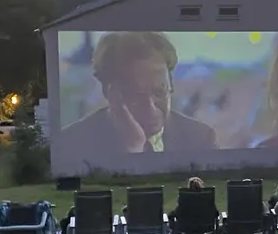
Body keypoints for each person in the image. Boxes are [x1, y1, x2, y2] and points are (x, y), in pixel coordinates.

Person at [61, 32, 218, 156]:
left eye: (159, 92)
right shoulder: (72, 143)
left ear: (171, 86)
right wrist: (133, 148)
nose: (151, 108)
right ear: (109, 93)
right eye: (136, 96)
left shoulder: (200, 139)